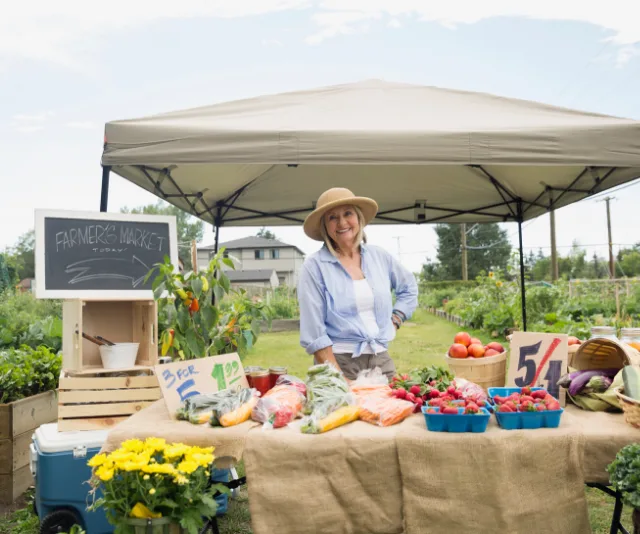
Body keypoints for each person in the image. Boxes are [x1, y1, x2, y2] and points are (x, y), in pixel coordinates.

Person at [298, 187, 418, 381]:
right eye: (332, 217)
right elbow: (314, 333)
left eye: (348, 213)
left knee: (388, 410)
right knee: (348, 411)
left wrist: (396, 319)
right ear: (324, 226)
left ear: (358, 218)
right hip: (338, 362)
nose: (342, 222)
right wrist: (339, 379)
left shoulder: (379, 256)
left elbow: (409, 288)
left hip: (380, 359)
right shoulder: (314, 267)